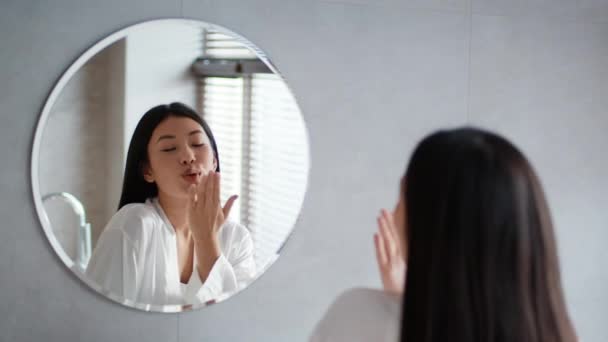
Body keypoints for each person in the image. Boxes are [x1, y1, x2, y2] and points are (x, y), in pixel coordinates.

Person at [310, 127, 578, 342]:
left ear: (429, 228)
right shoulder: (556, 333)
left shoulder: (357, 316)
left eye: (403, 197)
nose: (394, 213)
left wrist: (398, 309)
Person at [86, 102, 256, 307]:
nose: (188, 156)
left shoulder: (236, 239)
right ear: (147, 171)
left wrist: (207, 241)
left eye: (198, 144)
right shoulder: (134, 224)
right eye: (169, 148)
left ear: (214, 161)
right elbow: (99, 319)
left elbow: (234, 323)